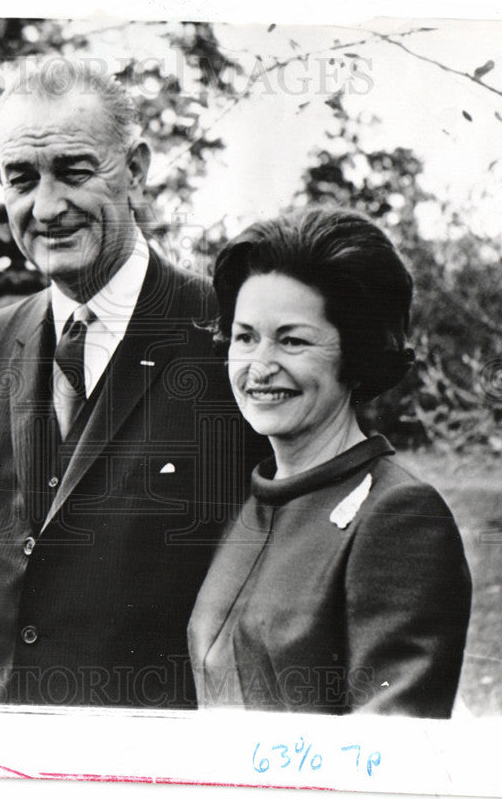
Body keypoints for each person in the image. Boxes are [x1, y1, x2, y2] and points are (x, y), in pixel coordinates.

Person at [0, 57, 262, 708]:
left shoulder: (229, 344)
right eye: (22, 180)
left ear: (137, 169)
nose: (48, 207)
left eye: (74, 171)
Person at [188, 207, 472, 717]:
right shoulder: (250, 504)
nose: (259, 366)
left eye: (292, 340)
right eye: (245, 337)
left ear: (354, 353)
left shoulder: (398, 515)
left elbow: (391, 751)